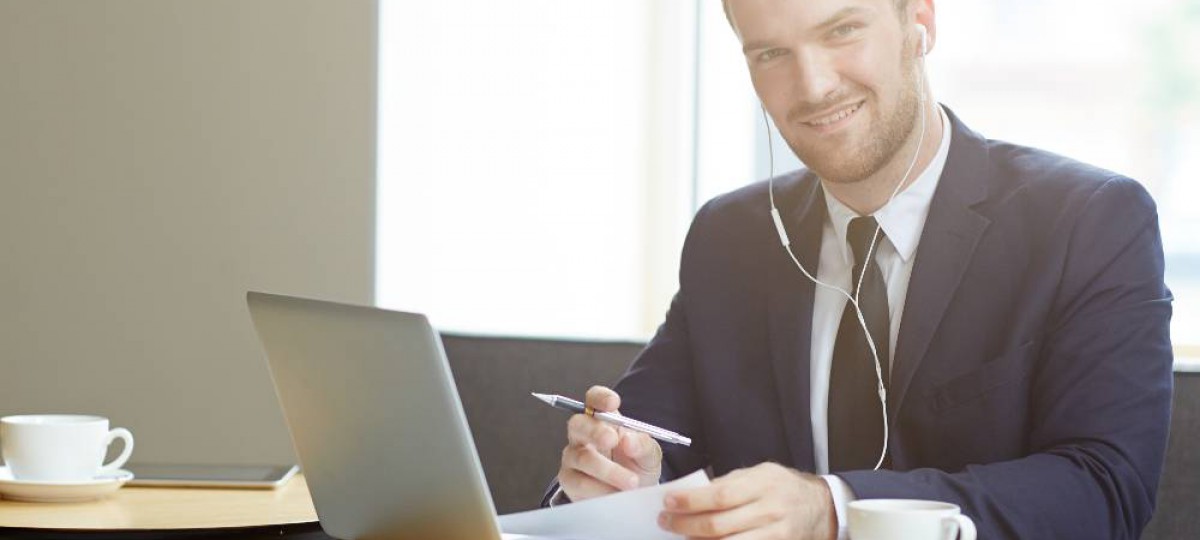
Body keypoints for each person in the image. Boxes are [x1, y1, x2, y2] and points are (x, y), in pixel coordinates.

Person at [543, 0, 1174, 538]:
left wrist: (835, 509)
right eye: (770, 54)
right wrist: (623, 485)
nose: (813, 86)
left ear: (919, 18)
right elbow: (646, 454)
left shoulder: (1087, 221)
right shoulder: (729, 238)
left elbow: (1104, 489)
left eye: (841, 30)